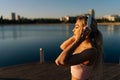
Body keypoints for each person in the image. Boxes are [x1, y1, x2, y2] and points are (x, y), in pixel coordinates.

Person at [55, 14, 103, 80]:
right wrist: (76, 37)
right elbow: (63, 47)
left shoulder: (91, 51)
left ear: (86, 29)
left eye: (76, 27)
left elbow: (59, 61)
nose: (73, 30)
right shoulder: (80, 44)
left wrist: (78, 41)